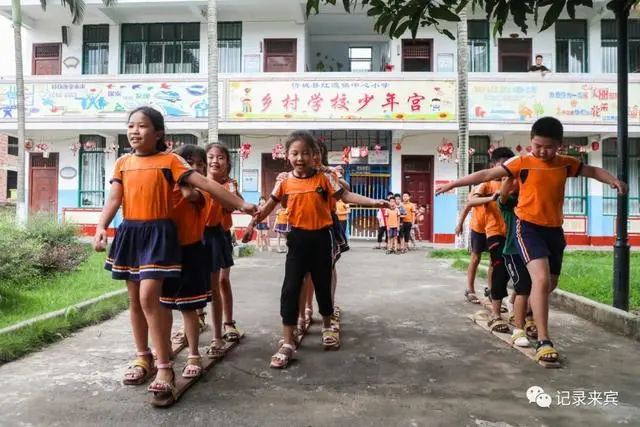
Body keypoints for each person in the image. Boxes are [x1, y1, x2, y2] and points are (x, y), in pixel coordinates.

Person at [93, 107, 255, 404]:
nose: (134, 131)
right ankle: (144, 357)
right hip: (130, 233)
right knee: (134, 300)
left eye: (142, 126)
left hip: (160, 235)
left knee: (149, 296)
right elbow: (115, 198)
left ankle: (165, 367)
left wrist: (240, 205)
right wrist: (101, 226)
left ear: (158, 133)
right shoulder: (122, 162)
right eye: (131, 126)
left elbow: (205, 184)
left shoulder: (171, 161)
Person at [436, 116, 627, 363]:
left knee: (550, 284)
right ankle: (544, 340)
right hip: (527, 228)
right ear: (530, 143)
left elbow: (592, 170)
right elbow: (485, 173)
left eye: (548, 147)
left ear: (560, 145)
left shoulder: (565, 164)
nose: (542, 151)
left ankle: (525, 312)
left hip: (554, 231)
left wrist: (612, 179)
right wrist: (453, 183)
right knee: (541, 278)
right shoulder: (522, 162)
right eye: (537, 145)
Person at [250, 130, 388, 368]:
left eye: (305, 153)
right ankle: (287, 341)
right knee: (290, 289)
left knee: (323, 286)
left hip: (322, 239)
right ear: (287, 155)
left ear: (314, 155)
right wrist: (253, 222)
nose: (300, 158)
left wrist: (374, 201)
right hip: (297, 240)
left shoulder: (325, 178)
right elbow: (269, 205)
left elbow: (345, 195)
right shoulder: (284, 182)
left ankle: (326, 326)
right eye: (295, 153)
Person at [163, 145, 211, 379]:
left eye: (198, 164)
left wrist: (181, 176)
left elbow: (189, 195)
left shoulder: (203, 192)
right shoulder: (168, 188)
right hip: (166, 250)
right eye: (187, 163)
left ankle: (194, 354)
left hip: (191, 251)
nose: (193, 167)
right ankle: (163, 349)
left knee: (188, 307)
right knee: (164, 305)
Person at [463, 147, 515, 333]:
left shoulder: (514, 181)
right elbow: (470, 202)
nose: (505, 169)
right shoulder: (486, 184)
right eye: (502, 165)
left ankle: (494, 294)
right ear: (494, 165)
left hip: (510, 231)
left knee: (501, 266)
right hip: (483, 228)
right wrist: (492, 198)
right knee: (479, 258)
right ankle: (471, 290)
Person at [204, 142, 244, 357]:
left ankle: (227, 323)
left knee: (220, 281)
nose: (215, 161)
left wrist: (218, 188)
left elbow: (232, 205)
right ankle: (199, 319)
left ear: (227, 162)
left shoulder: (229, 185)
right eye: (211, 157)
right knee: (198, 282)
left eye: (220, 157)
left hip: (220, 236)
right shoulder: (198, 182)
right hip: (197, 236)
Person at [455, 184, 488, 304]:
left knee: (495, 260)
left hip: (495, 229)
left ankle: (491, 291)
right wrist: (460, 224)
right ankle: (470, 289)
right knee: (475, 258)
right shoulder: (479, 187)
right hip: (478, 228)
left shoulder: (503, 183)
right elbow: (468, 206)